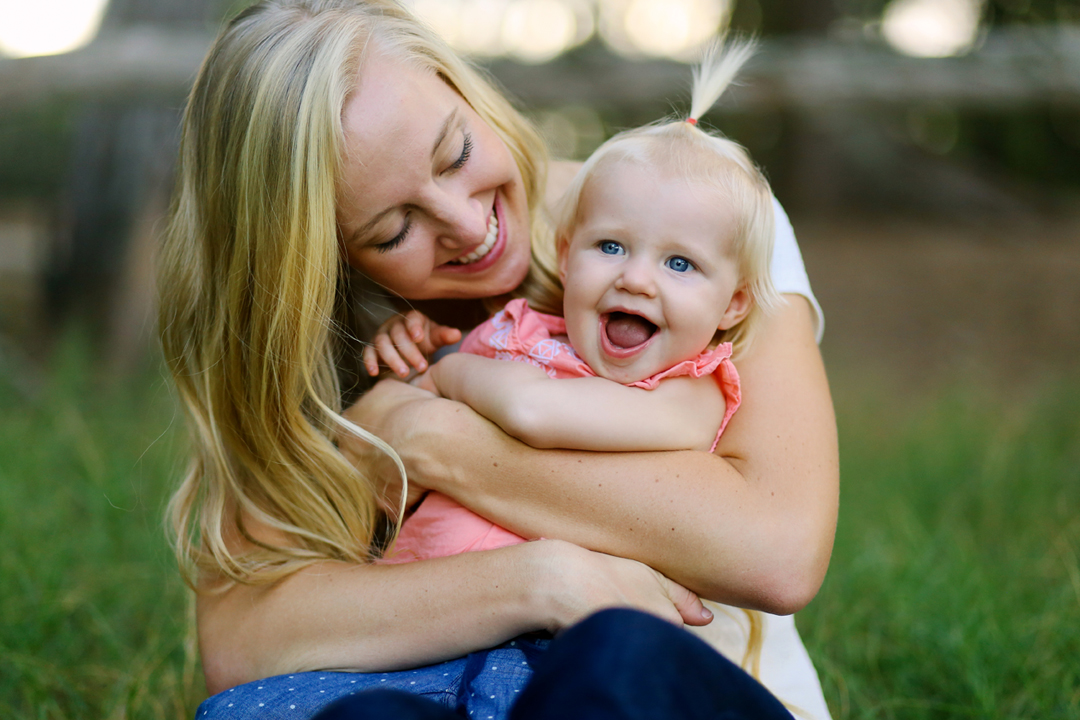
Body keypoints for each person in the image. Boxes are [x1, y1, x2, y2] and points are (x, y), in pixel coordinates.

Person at [156, 1, 838, 718]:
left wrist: (433, 438)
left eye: (454, 153)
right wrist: (539, 579)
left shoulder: (690, 217)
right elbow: (242, 638)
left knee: (611, 661)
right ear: (320, 261)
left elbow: (776, 548)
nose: (465, 223)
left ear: (466, 92)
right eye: (393, 230)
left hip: (661, 685)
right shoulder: (339, 333)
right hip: (443, 687)